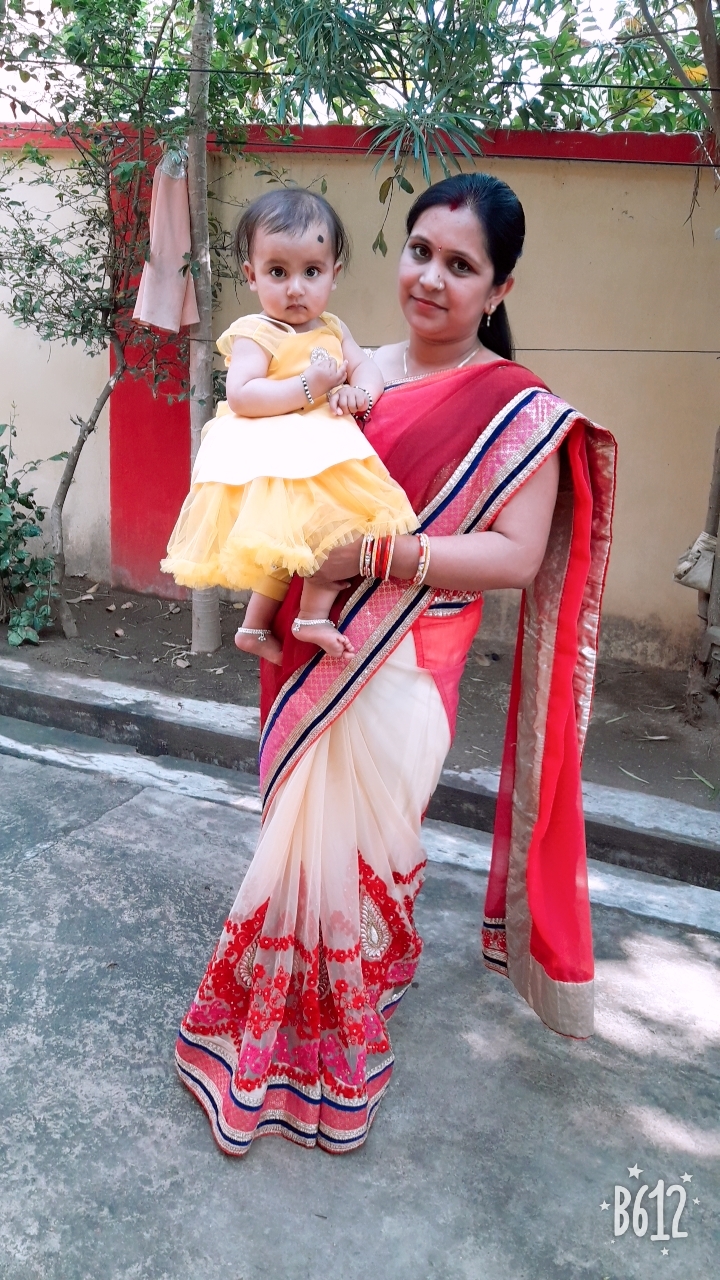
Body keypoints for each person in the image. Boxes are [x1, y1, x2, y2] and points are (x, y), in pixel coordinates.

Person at [175, 172, 616, 1157]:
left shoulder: (517, 410)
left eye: (461, 264)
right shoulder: (347, 362)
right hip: (314, 645)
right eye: (420, 251)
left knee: (365, 842)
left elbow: (514, 556)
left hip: (407, 662)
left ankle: (341, 1019)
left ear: (498, 289)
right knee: (303, 844)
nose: (430, 277)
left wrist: (371, 557)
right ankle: (280, 1032)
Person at [161, 188, 418, 662]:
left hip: (320, 452)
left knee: (319, 537)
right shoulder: (256, 333)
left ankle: (262, 625)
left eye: (311, 272)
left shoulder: (333, 328)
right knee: (309, 537)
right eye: (278, 272)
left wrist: (360, 393)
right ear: (252, 275)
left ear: (334, 274)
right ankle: (295, 618)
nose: (295, 288)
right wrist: (308, 385)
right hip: (276, 456)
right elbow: (242, 394)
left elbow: (365, 367)